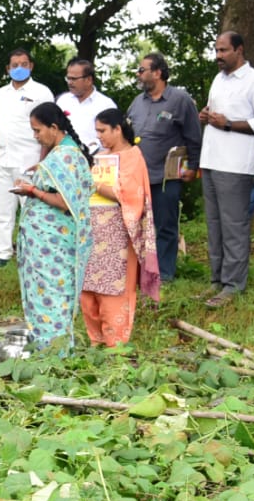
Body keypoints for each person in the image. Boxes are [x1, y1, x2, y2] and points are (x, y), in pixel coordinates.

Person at [197, 31, 254, 308]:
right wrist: (206, 116)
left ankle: (233, 284)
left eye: (224, 50)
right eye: (216, 50)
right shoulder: (219, 79)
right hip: (211, 159)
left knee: (233, 225)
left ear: (239, 50)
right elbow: (217, 115)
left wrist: (229, 123)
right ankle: (216, 281)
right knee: (215, 224)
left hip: (237, 163)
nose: (218, 56)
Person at [11, 103, 94, 353]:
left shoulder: (65, 156)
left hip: (55, 245)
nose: (36, 137)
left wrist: (32, 190)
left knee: (54, 294)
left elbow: (64, 202)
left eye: (38, 131)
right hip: (45, 243)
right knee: (44, 292)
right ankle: (45, 348)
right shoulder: (60, 154)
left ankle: (55, 352)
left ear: (54, 127)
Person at [81, 109, 160, 347]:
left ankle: (115, 342)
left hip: (117, 232)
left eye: (103, 130)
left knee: (113, 289)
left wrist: (92, 182)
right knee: (89, 286)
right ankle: (95, 339)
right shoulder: (101, 156)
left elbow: (127, 194)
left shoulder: (133, 156)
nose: (100, 136)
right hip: (92, 230)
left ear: (118, 129)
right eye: (97, 131)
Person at [127, 52, 202, 283]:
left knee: (166, 226)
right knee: (135, 226)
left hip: (167, 176)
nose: (138, 75)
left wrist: (194, 166)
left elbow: (194, 136)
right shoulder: (137, 102)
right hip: (137, 176)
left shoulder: (180, 99)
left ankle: (165, 274)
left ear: (157, 73)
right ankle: (139, 271)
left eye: (142, 70)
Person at [0, 48, 55, 268]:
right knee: (4, 211)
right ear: (8, 68)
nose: (19, 68)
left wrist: (42, 162)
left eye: (23, 64)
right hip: (1, 160)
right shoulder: (0, 94)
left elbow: (48, 129)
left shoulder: (41, 92)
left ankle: (34, 253)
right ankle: (3, 254)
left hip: (29, 160)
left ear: (31, 66)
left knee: (31, 210)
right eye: (14, 65)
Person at [55, 57, 117, 153]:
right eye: (68, 78)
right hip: (64, 159)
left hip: (95, 161)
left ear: (88, 80)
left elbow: (114, 137)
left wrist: (92, 147)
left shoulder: (106, 105)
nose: (70, 83)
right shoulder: (62, 101)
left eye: (74, 79)